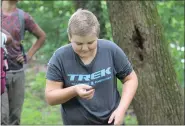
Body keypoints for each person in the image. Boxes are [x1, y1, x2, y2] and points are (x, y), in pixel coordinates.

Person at [45, 9, 138, 125]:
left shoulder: (110, 50)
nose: (85, 48)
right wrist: (74, 90)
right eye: (78, 43)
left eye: (90, 43)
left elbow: (130, 79)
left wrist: (121, 110)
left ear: (97, 36)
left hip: (111, 122)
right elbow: (50, 97)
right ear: (70, 37)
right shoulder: (60, 57)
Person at [1, 0, 46, 125]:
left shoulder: (23, 17)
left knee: (14, 118)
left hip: (17, 72)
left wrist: (28, 55)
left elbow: (42, 36)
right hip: (0, 74)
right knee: (2, 117)